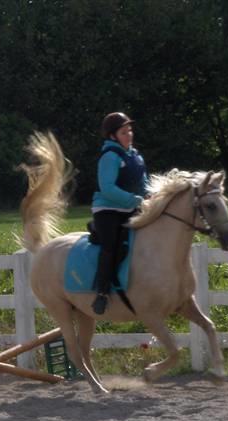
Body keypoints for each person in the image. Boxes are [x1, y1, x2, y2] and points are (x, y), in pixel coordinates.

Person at [90, 111, 150, 315]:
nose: (129, 134)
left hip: (132, 208)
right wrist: (135, 200)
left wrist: (151, 198)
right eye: (124, 132)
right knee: (112, 247)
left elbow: (145, 184)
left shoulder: (136, 156)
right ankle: (102, 292)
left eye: (130, 130)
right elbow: (107, 188)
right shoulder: (109, 157)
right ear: (112, 136)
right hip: (107, 210)